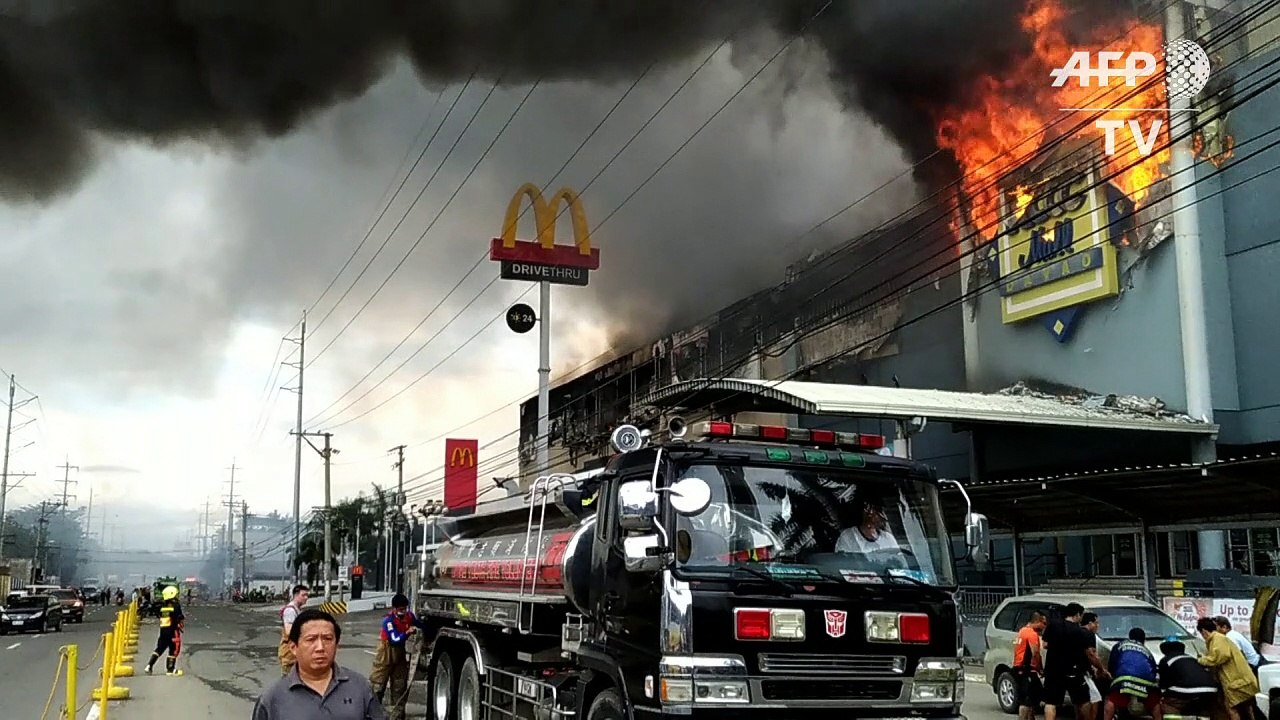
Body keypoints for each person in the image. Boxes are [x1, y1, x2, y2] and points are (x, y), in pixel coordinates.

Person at [252, 608, 386, 720]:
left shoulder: (360, 687)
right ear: (293, 647)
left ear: (337, 645)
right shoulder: (272, 699)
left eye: (327, 639)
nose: (320, 647)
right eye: (311, 640)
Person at [1044, 603, 1110, 720]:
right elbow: (1090, 653)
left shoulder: (1053, 625)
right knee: (1083, 699)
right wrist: (1101, 669)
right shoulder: (1080, 631)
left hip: (1053, 669)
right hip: (1074, 670)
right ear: (1077, 615)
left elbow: (1045, 644)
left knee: (1051, 702)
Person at [370, 593, 429, 720]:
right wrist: (407, 633)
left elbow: (420, 625)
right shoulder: (388, 621)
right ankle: (372, 716)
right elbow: (394, 639)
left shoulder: (409, 617)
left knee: (399, 688)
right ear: (395, 609)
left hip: (400, 655)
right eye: (401, 609)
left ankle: (397, 717)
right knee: (377, 688)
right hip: (385, 654)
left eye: (405, 608)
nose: (403, 611)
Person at [1196, 616, 1260, 720]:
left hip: (1236, 681)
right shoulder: (1220, 638)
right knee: (1247, 707)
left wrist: (1202, 660)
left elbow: (1220, 656)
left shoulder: (1217, 639)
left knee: (1231, 708)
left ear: (1203, 631)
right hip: (1243, 679)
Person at [1103, 628, 1161, 720]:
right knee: (1154, 703)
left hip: (1124, 679)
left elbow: (1112, 664)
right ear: (1143, 640)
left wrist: (1112, 678)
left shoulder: (1120, 645)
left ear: (1129, 637)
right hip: (1147, 681)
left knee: (1112, 701)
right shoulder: (1147, 651)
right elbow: (1153, 670)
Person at [1158, 638, 1219, 718]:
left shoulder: (1166, 660)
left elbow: (1163, 685)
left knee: (1167, 703)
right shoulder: (1192, 659)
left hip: (1186, 690)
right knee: (1203, 708)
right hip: (1211, 689)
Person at [835, 490, 900, 555]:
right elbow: (842, 562)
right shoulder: (849, 537)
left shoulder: (888, 538)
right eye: (880, 511)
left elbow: (899, 561)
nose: (884, 517)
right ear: (869, 510)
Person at [1013, 610, 1048, 720]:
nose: (1044, 627)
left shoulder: (1022, 630)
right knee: (1026, 700)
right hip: (1026, 669)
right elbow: (1035, 653)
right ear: (1037, 621)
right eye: (1044, 623)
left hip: (1019, 668)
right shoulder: (1032, 634)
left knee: (1034, 695)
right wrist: (1040, 669)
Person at [145, 585, 185, 675]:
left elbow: (157, 613)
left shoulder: (162, 606)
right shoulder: (176, 606)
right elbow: (179, 617)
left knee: (159, 649)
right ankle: (170, 669)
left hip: (163, 631)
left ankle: (149, 666)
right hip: (173, 631)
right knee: (174, 649)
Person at [279, 584, 310, 676]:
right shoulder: (290, 611)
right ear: (296, 595)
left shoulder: (296, 609)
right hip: (289, 652)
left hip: (295, 652)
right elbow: (289, 631)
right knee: (289, 681)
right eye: (303, 595)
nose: (306, 598)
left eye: (307, 595)